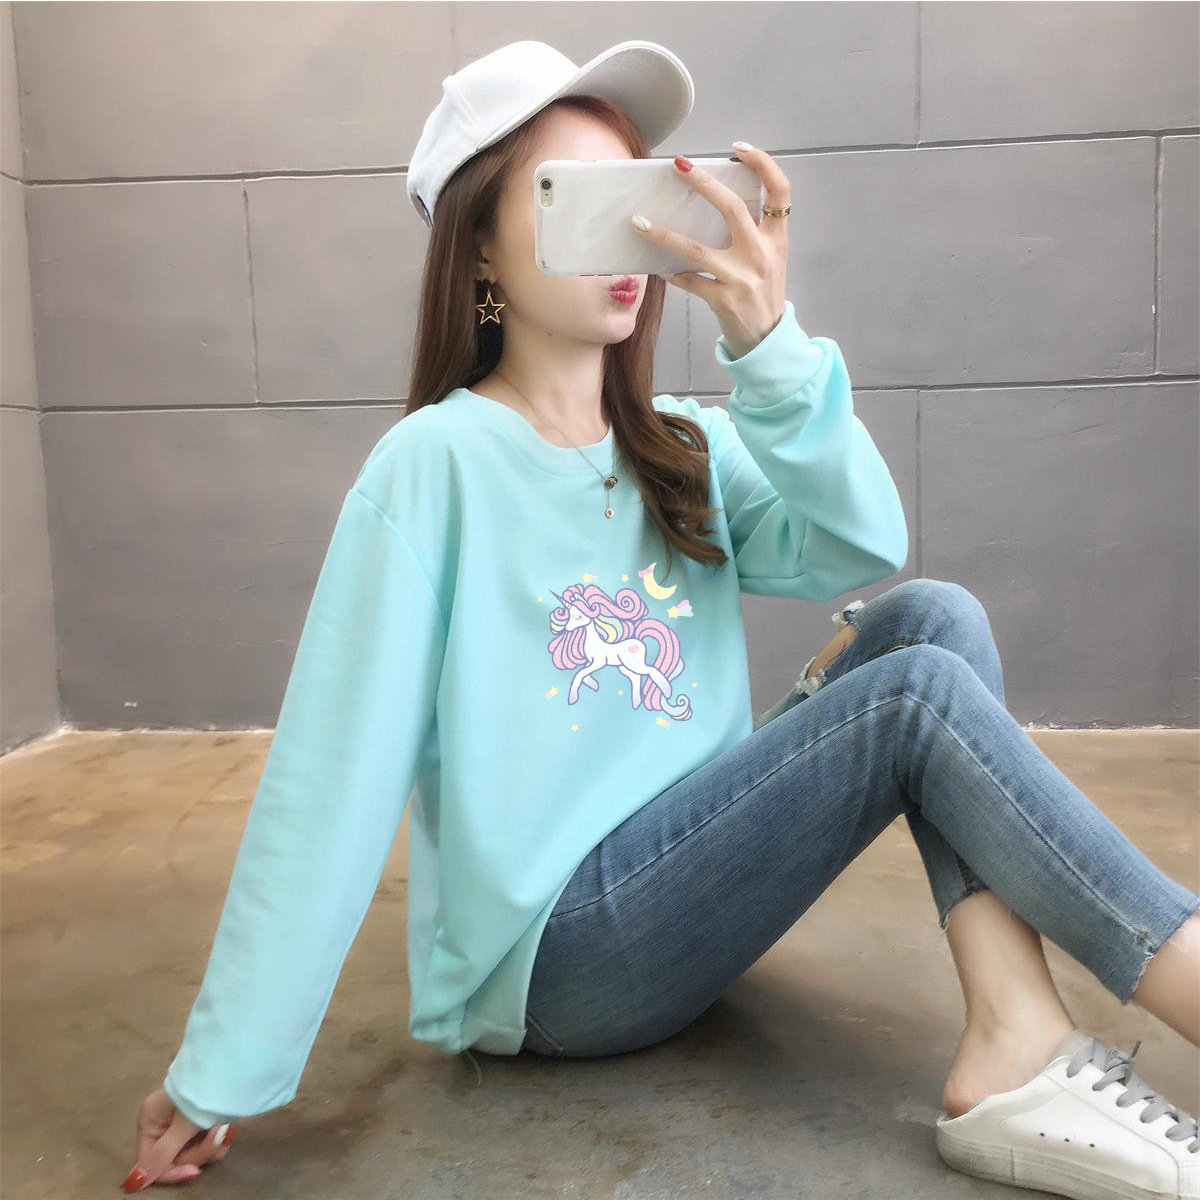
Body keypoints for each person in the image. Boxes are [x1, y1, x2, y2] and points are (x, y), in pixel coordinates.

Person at [123, 40, 1200, 1198]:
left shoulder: (682, 444)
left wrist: (770, 348)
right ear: (478, 243)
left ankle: (1012, 1029)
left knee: (935, 622)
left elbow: (860, 544)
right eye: (571, 198)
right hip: (559, 960)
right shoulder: (434, 465)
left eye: (634, 195)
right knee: (913, 701)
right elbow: (331, 779)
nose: (623, 236)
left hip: (684, 883)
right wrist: (220, 1070)